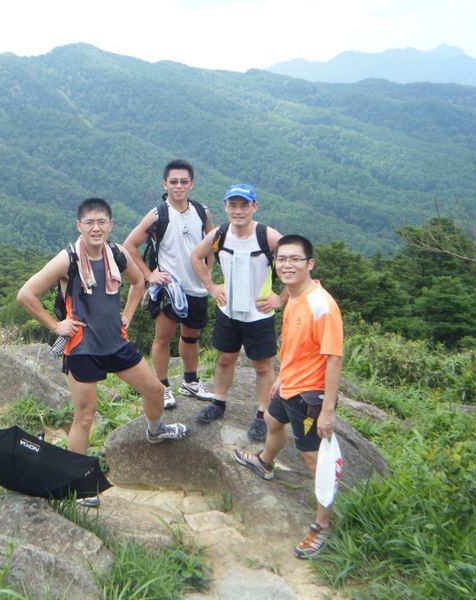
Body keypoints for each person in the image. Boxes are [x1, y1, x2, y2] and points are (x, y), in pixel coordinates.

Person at [17, 198, 191, 500]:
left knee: (154, 391)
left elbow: (138, 283)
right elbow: (26, 294)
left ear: (110, 225)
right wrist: (56, 326)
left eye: (101, 222)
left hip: (115, 343)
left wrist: (128, 314)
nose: (96, 228)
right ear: (79, 226)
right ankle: (78, 483)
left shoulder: (117, 253)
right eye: (89, 223)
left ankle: (155, 430)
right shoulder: (68, 259)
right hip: (82, 348)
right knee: (84, 416)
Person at [232, 234, 343, 559]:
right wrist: (281, 376)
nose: (287, 265)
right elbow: (296, 346)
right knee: (271, 419)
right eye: (282, 259)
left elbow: (333, 359)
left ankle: (322, 524)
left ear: (310, 264)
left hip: (310, 395)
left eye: (295, 259)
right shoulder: (294, 296)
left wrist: (327, 410)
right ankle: (265, 462)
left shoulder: (322, 306)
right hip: (290, 383)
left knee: (312, 456)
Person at [189, 183, 284, 439]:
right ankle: (218, 402)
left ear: (254, 207)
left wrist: (281, 298)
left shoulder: (267, 235)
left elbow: (298, 261)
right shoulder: (220, 234)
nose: (238, 211)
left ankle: (263, 414)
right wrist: (211, 287)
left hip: (259, 314)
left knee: (262, 366)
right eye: (233, 205)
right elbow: (196, 256)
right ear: (225, 207)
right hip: (228, 312)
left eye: (244, 205)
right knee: (224, 358)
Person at [123, 159, 215, 410]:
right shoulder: (158, 214)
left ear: (191, 184)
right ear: (165, 184)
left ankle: (190, 381)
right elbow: (129, 245)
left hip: (196, 286)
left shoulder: (201, 211)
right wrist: (149, 275)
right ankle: (162, 386)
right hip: (170, 288)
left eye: (184, 181)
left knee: (191, 336)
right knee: (163, 338)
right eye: (173, 181)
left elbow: (213, 241)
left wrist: (208, 271)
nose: (179, 186)